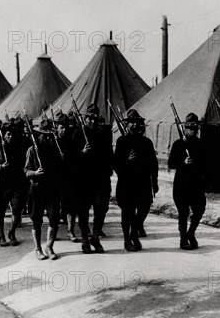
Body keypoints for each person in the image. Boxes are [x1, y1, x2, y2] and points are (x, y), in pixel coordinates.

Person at [114, 109, 158, 252]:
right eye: (132, 123)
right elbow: (116, 164)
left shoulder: (146, 142)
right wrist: (127, 161)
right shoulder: (121, 141)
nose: (135, 126)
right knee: (127, 211)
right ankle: (127, 239)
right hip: (126, 182)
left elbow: (154, 163)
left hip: (143, 182)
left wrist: (155, 182)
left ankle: (134, 232)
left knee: (144, 207)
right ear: (127, 126)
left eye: (137, 123)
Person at [72, 104, 113, 254]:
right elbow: (71, 158)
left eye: (95, 119)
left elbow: (109, 155)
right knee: (83, 211)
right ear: (85, 119)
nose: (92, 122)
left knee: (101, 210)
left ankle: (95, 237)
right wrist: (81, 152)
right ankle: (85, 240)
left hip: (100, 179)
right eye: (89, 119)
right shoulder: (78, 134)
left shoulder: (104, 134)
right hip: (83, 180)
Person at [24, 119, 63, 260]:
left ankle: (49, 246)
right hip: (36, 189)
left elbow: (59, 170)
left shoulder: (54, 150)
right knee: (36, 220)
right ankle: (38, 249)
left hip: (52, 189)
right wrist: (35, 173)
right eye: (43, 135)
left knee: (54, 218)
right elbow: (26, 171)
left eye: (48, 135)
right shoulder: (32, 150)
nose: (46, 138)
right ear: (38, 135)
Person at [167, 113, 206, 250]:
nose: (192, 130)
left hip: (196, 184)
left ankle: (191, 233)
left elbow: (205, 163)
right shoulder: (179, 144)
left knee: (200, 209)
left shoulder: (201, 144)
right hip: (181, 185)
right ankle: (183, 239)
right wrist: (182, 162)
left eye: (195, 128)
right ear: (185, 128)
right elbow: (171, 163)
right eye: (189, 128)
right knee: (183, 213)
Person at [0, 119, 26, 247]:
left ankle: (12, 232)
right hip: (2, 184)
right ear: (4, 135)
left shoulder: (19, 149)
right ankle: (1, 236)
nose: (11, 136)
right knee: (1, 211)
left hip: (16, 184)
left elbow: (24, 166)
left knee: (17, 209)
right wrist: (0, 167)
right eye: (8, 134)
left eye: (12, 134)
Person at [54, 112, 80, 243]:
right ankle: (53, 232)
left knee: (70, 207)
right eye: (61, 127)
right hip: (55, 179)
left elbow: (76, 158)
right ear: (56, 127)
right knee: (54, 208)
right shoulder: (53, 142)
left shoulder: (71, 141)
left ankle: (70, 231)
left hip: (69, 178)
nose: (64, 129)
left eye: (65, 127)